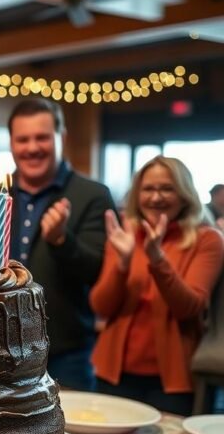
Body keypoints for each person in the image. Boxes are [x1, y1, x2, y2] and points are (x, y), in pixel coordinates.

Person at [91, 156, 224, 415]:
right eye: (148, 189)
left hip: (173, 382)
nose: (156, 197)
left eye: (167, 188)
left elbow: (190, 307)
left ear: (185, 193)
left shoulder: (207, 240)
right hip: (115, 375)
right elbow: (101, 306)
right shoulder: (125, 235)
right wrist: (123, 263)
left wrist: (157, 259)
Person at [7, 98, 114, 391]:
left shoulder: (93, 195)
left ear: (61, 137)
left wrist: (62, 241)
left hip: (66, 352)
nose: (32, 147)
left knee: (70, 433)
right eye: (22, 139)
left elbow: (98, 270)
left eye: (42, 137)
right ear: (12, 143)